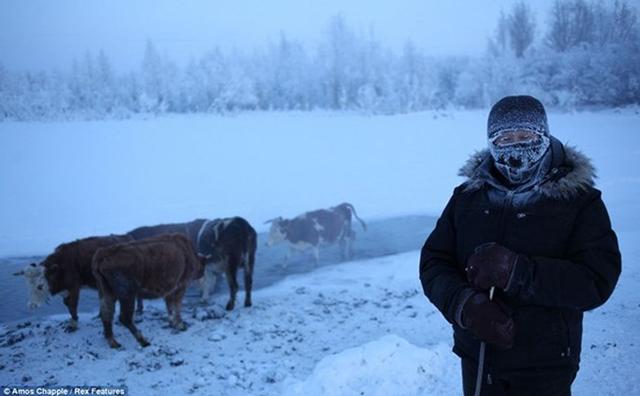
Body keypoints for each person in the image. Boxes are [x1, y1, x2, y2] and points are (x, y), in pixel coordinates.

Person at [419, 95, 621, 396]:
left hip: (545, 364)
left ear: (544, 135)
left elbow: (596, 280)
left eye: (525, 136)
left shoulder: (579, 201)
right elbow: (434, 263)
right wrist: (464, 305)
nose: (515, 147)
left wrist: (518, 272)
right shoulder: (467, 198)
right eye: (504, 138)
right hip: (478, 360)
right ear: (491, 143)